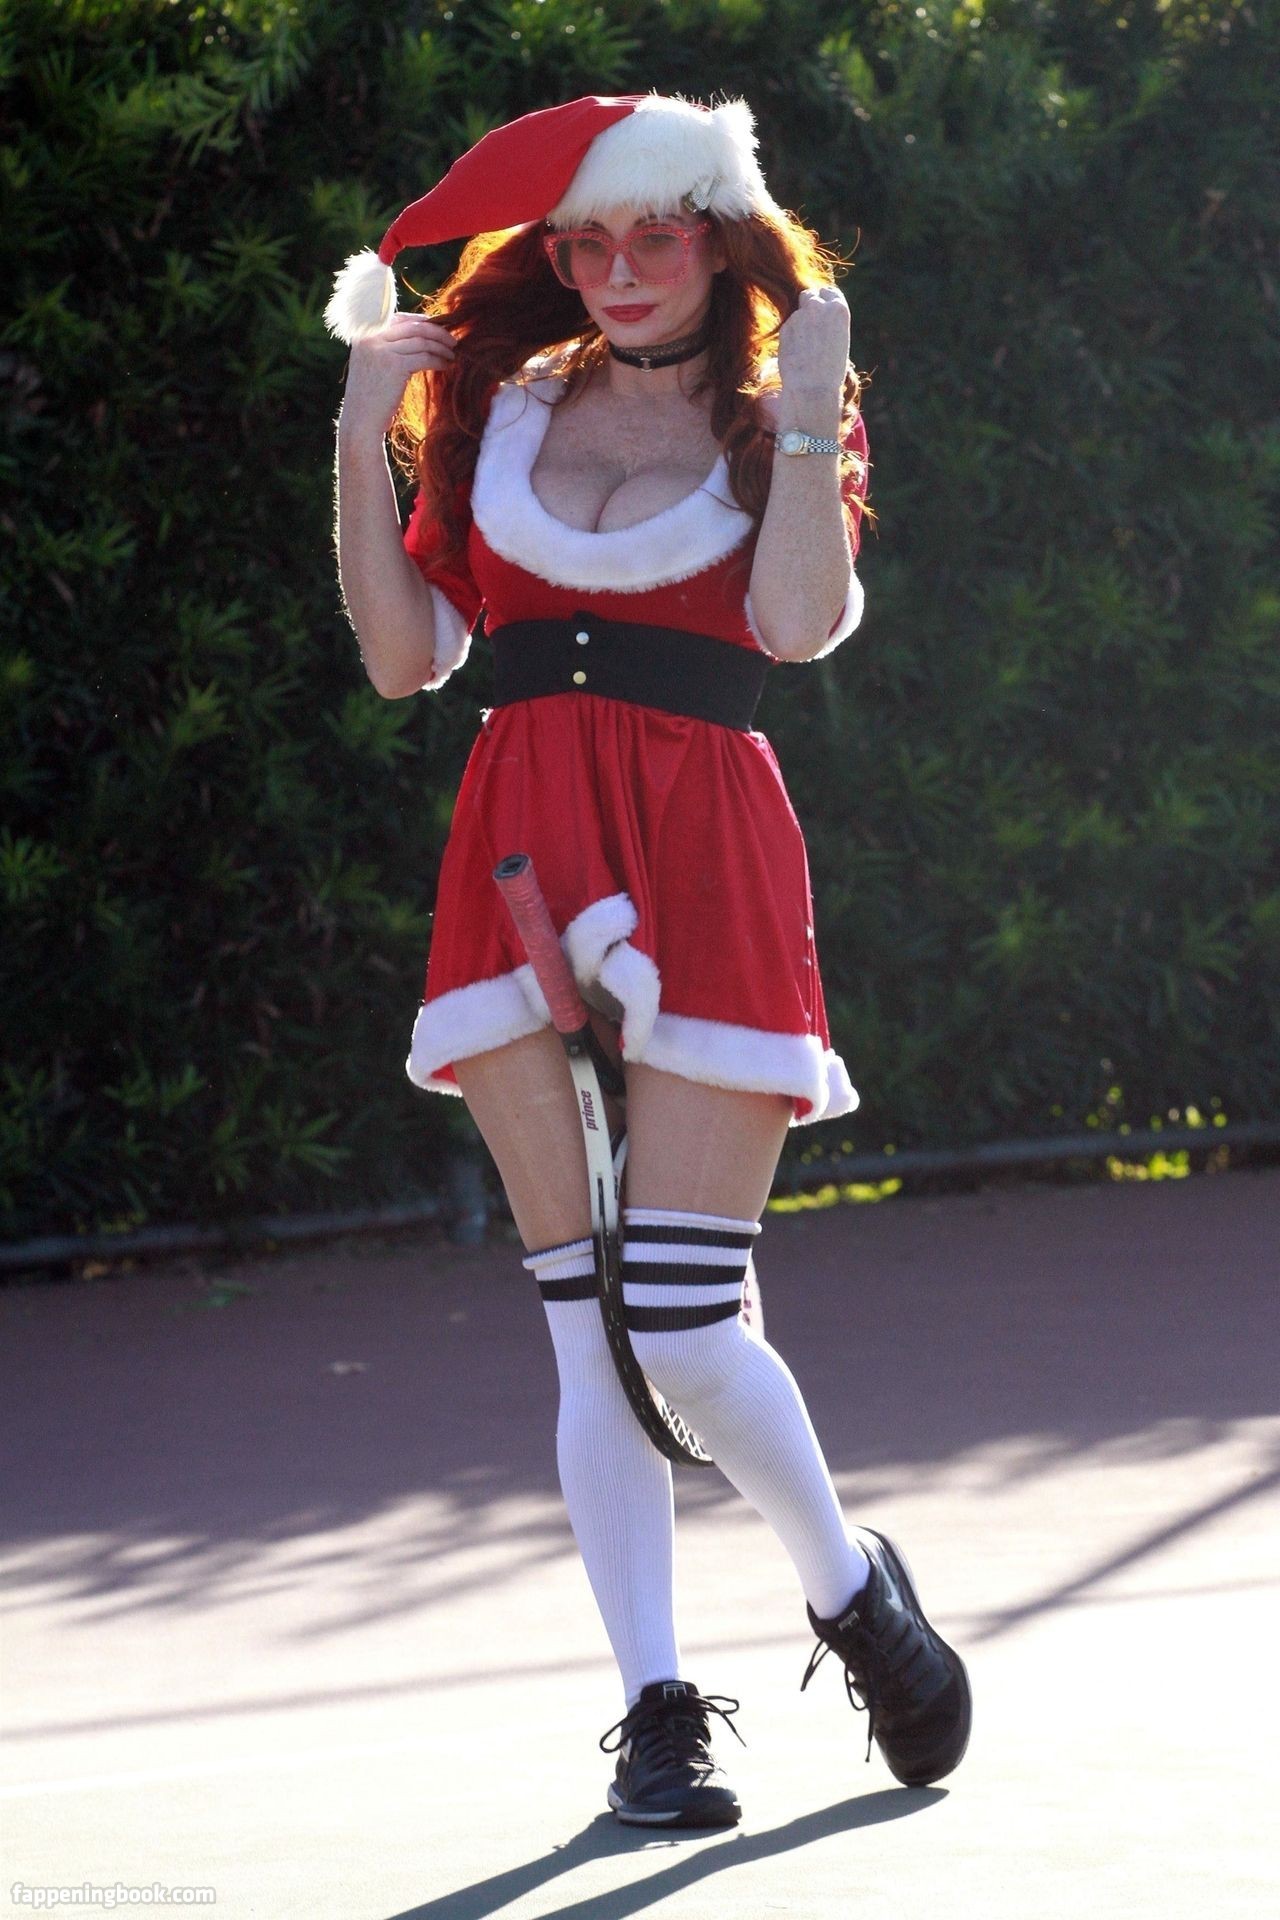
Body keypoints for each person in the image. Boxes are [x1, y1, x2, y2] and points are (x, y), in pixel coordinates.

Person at [329, 92, 971, 1829]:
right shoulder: (498, 411)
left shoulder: (780, 411)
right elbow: (402, 657)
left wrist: (817, 396)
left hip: (706, 859)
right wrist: (363, 430)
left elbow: (794, 625)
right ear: (555, 251)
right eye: (588, 242)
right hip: (518, 853)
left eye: (656, 235)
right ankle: (658, 1711)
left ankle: (850, 1590)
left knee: (682, 1320)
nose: (619, 270)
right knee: (583, 1325)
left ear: (717, 237)